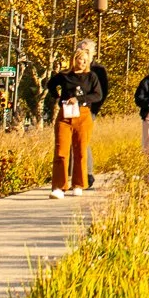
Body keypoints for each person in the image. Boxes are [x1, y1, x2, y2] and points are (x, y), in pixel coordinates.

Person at [44, 39, 104, 198]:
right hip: (65, 114)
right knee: (61, 150)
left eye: (85, 60)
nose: (83, 63)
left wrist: (81, 99)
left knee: (81, 150)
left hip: (83, 114)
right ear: (74, 59)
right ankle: (59, 186)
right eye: (80, 59)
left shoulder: (91, 77)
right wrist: (57, 96)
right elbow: (50, 84)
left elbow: (98, 95)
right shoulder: (65, 75)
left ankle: (79, 184)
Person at [85, 58, 110, 188]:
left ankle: (87, 174)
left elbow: (102, 93)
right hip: (70, 111)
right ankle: (71, 173)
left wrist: (94, 109)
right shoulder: (71, 70)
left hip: (88, 110)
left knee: (83, 141)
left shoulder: (98, 71)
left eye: (87, 51)